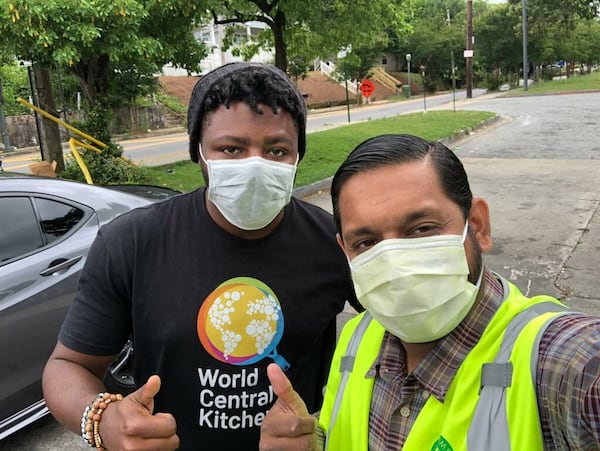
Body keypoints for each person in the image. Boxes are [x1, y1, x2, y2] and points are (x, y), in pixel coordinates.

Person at [42, 62, 357, 451]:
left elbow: (407, 333)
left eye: (277, 150)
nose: (254, 165)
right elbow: (68, 366)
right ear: (198, 152)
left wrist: (327, 434)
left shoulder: (334, 242)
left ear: (297, 156)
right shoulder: (132, 243)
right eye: (231, 148)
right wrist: (104, 420)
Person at [259, 134, 600, 450]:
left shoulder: (555, 363)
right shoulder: (355, 338)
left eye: (421, 229)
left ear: (477, 226)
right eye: (366, 242)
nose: (394, 261)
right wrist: (310, 440)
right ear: (344, 250)